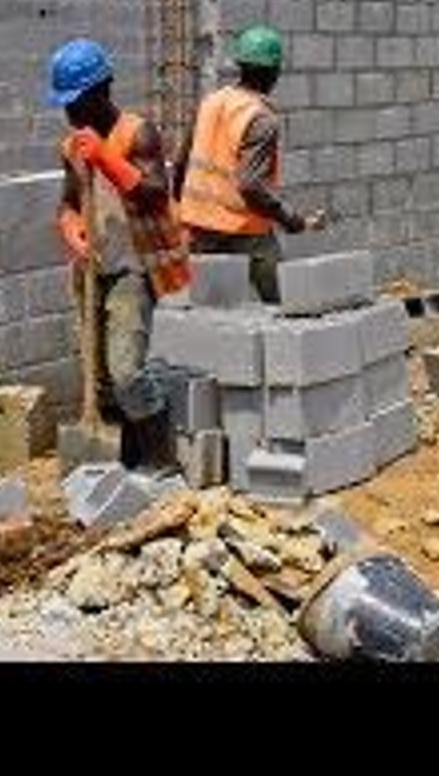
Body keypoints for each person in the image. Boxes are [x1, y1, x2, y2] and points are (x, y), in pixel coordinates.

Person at [48, 38, 192, 471]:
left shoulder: (138, 132)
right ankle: (125, 465)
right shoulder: (73, 144)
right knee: (103, 379)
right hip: (95, 268)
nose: (69, 113)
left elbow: (153, 194)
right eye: (64, 104)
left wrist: (108, 158)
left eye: (76, 102)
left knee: (128, 372)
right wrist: (70, 226)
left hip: (134, 268)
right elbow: (70, 200)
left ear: (101, 92)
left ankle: (160, 459)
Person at [173, 24, 326, 305]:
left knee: (211, 311)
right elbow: (250, 184)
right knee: (284, 305)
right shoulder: (260, 118)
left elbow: (181, 162)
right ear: (274, 72)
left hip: (199, 226)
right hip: (243, 228)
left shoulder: (211, 102)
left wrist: (179, 209)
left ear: (241, 66)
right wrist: (290, 219)